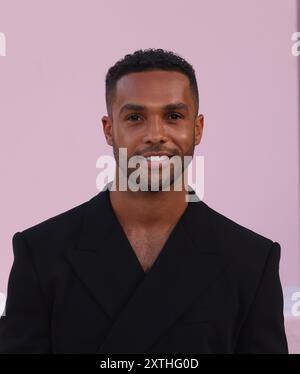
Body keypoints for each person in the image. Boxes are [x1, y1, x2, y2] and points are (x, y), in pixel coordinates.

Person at [0, 49, 288, 354]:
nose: (155, 134)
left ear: (198, 128)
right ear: (109, 130)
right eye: (135, 118)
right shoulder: (41, 253)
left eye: (173, 116)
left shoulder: (252, 261)